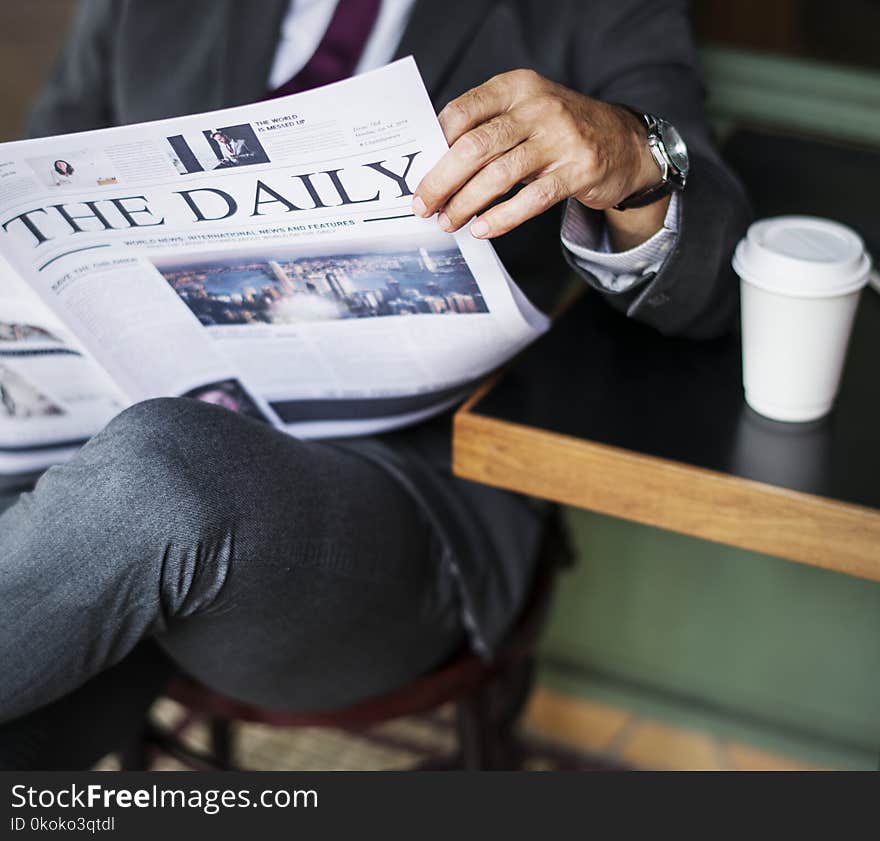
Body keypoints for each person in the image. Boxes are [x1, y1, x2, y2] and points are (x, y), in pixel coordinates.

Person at [0, 0, 750, 768]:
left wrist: (633, 156)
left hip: (395, 505)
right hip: (90, 478)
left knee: (152, 479)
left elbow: (718, 282)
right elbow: (31, 205)